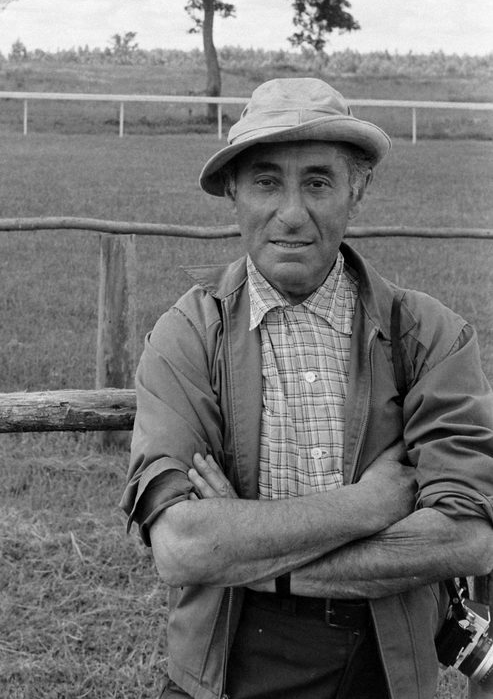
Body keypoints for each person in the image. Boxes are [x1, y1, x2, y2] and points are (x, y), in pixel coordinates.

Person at [121, 77, 493, 699]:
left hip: (383, 667)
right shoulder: (188, 334)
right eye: (267, 182)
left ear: (357, 190)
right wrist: (369, 507)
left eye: (318, 182)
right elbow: (184, 548)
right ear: (235, 192)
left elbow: (467, 537)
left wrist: (244, 545)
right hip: (223, 664)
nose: (292, 213)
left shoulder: (429, 336)